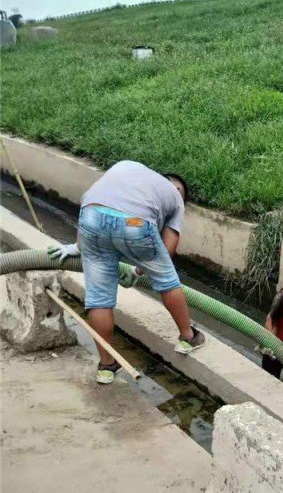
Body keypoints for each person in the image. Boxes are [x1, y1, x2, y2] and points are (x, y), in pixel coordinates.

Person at [48, 160, 205, 384]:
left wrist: (77, 247)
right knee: (168, 281)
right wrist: (144, 270)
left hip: (90, 216)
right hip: (133, 222)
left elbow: (96, 208)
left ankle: (106, 366)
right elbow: (168, 245)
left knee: (99, 299)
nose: (177, 192)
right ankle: (188, 337)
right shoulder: (176, 199)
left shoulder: (131, 170)